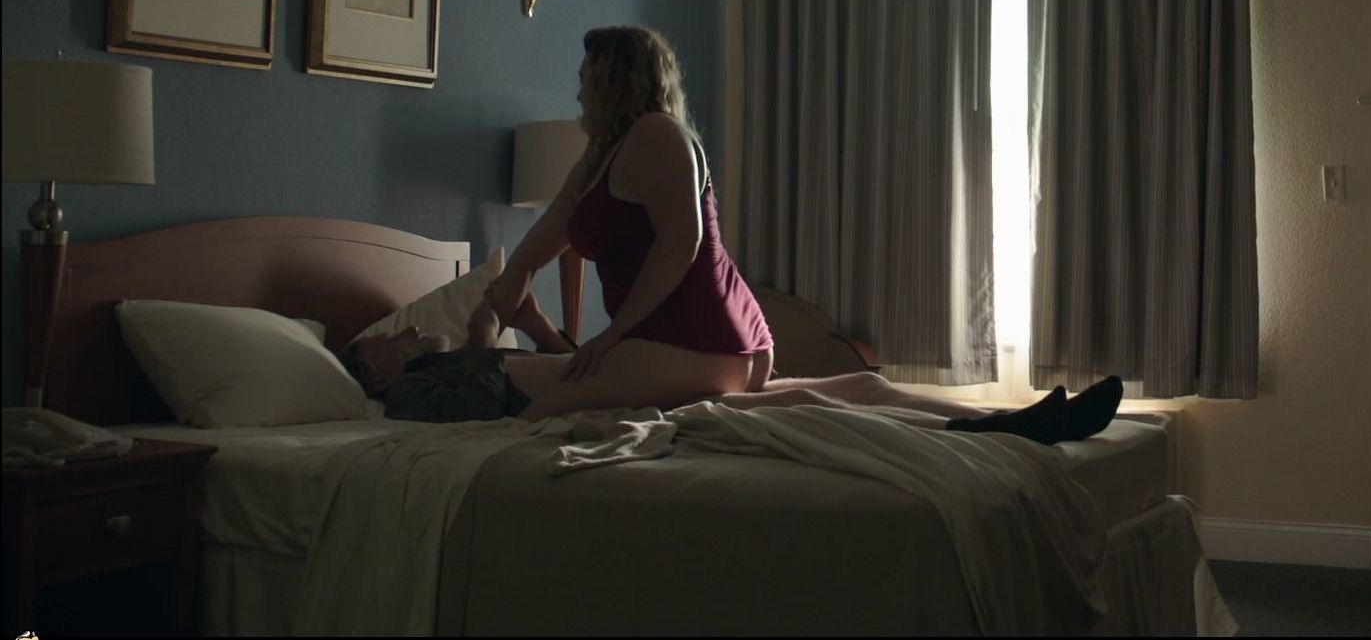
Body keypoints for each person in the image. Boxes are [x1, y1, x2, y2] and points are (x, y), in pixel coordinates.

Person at [482, 25, 774, 420]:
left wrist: (614, 333)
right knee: (547, 395)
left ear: (613, 83)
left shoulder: (657, 133)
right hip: (689, 344)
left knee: (538, 416)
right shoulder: (599, 157)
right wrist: (494, 311)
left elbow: (681, 242)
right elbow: (540, 242)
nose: (579, 95)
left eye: (586, 80)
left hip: (708, 341)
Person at [339, 299, 1126, 444]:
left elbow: (564, 352)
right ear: (370, 375)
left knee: (861, 384)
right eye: (381, 340)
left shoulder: (444, 362)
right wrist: (473, 337)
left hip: (637, 378)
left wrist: (524, 322)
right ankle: (993, 433)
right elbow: (494, 402)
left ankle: (1012, 419)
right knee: (819, 409)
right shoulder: (413, 394)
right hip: (657, 401)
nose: (400, 330)